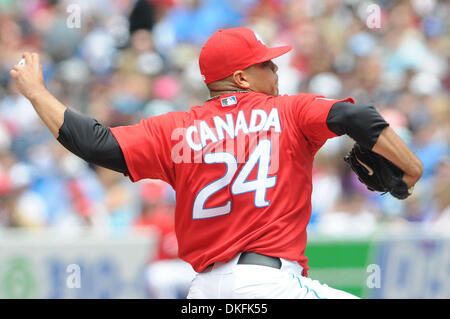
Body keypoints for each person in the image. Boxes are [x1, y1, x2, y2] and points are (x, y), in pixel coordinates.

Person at [10, 27, 423, 299]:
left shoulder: (173, 130)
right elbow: (358, 117)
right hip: (269, 283)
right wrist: (411, 169)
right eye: (265, 63)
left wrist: (35, 92)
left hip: (204, 295)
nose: (275, 68)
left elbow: (93, 142)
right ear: (241, 78)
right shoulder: (289, 112)